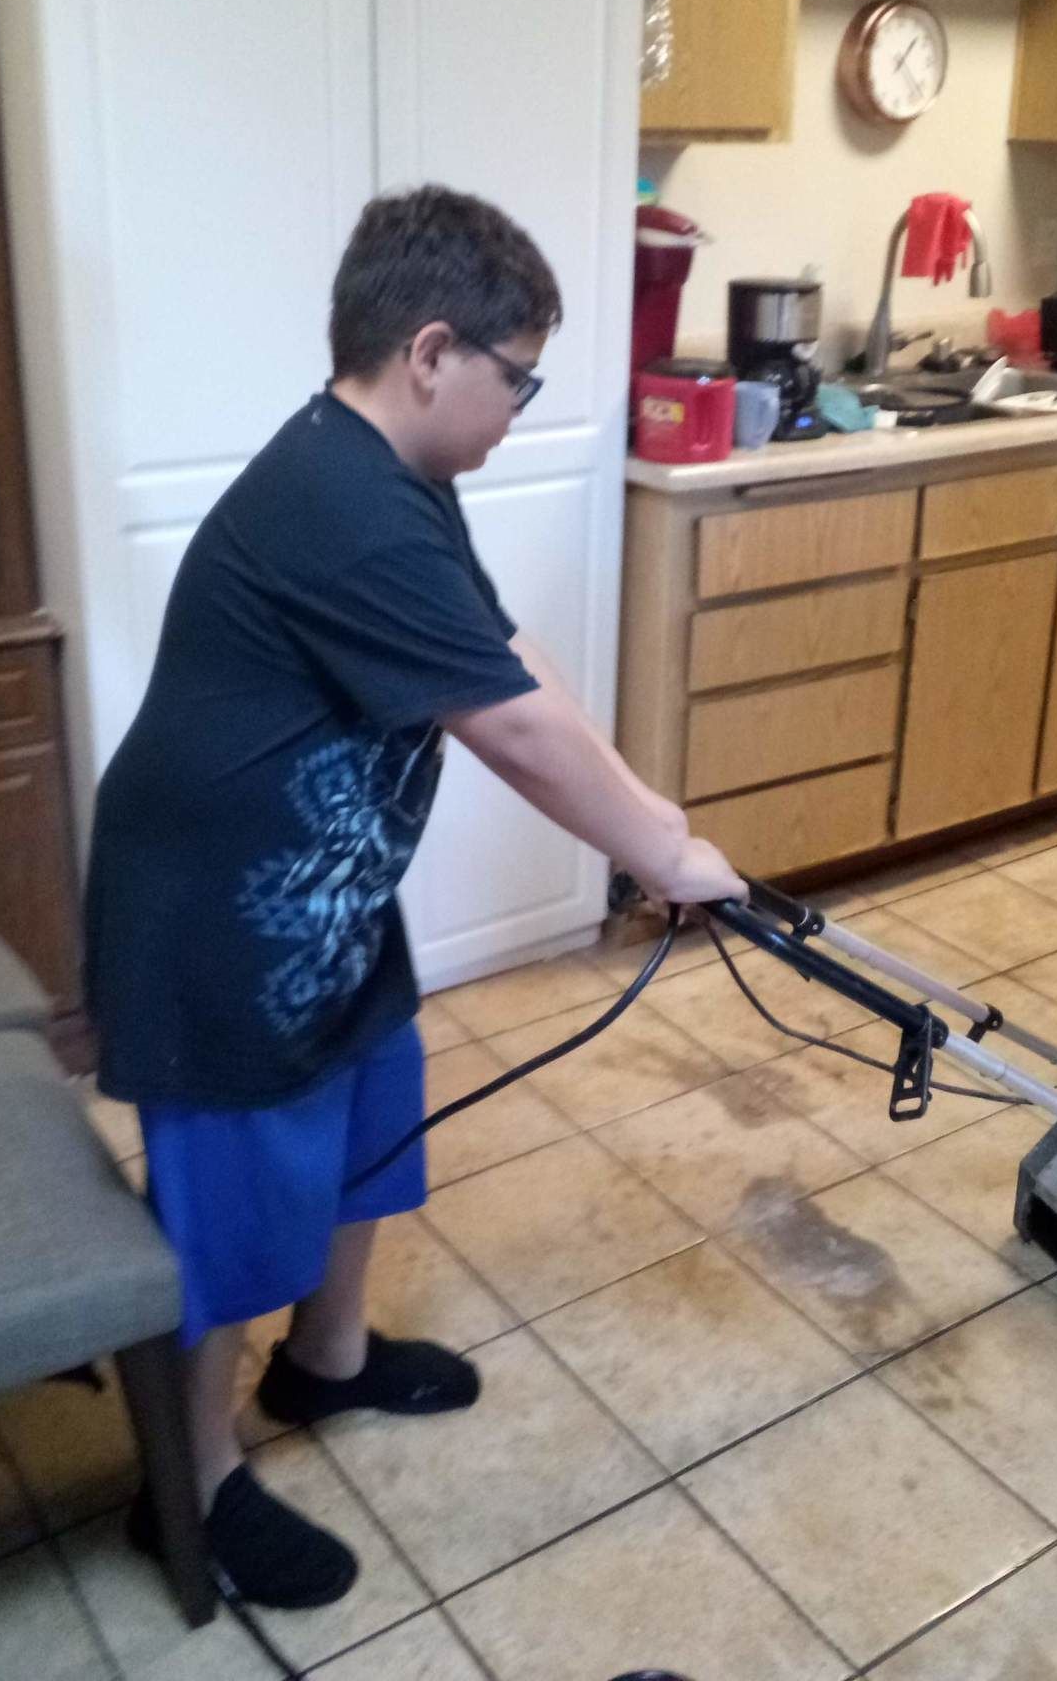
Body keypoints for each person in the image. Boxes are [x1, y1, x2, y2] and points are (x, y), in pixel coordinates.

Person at [86, 184, 743, 1608]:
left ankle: (330, 1362)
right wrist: (653, 852)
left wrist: (651, 818)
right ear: (433, 352)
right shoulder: (339, 502)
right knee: (230, 1220)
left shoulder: (401, 481)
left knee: (375, 1118)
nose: (523, 407)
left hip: (321, 905)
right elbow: (502, 730)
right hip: (212, 931)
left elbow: (504, 658)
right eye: (521, 376)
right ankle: (186, 1489)